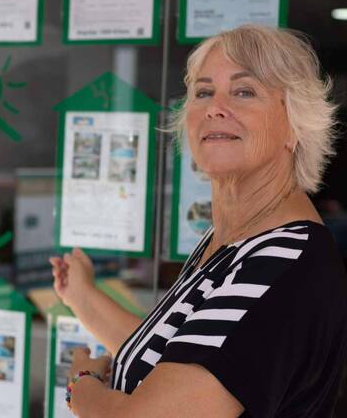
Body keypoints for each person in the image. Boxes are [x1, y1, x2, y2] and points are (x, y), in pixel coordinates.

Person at [50, 24, 347, 417]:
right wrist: (82, 296)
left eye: (244, 92)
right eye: (204, 92)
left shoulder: (281, 262)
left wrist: (81, 383)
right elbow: (172, 359)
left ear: (296, 124)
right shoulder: (233, 240)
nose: (215, 107)